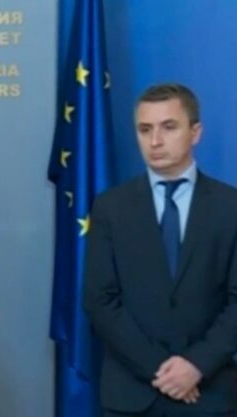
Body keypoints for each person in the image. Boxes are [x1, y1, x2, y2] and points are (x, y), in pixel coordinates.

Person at [84, 83, 237, 416]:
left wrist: (196, 365)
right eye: (145, 129)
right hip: (132, 396)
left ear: (195, 133)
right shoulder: (111, 208)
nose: (155, 141)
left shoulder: (230, 207)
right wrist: (162, 370)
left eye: (168, 127)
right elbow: (100, 300)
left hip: (209, 395)